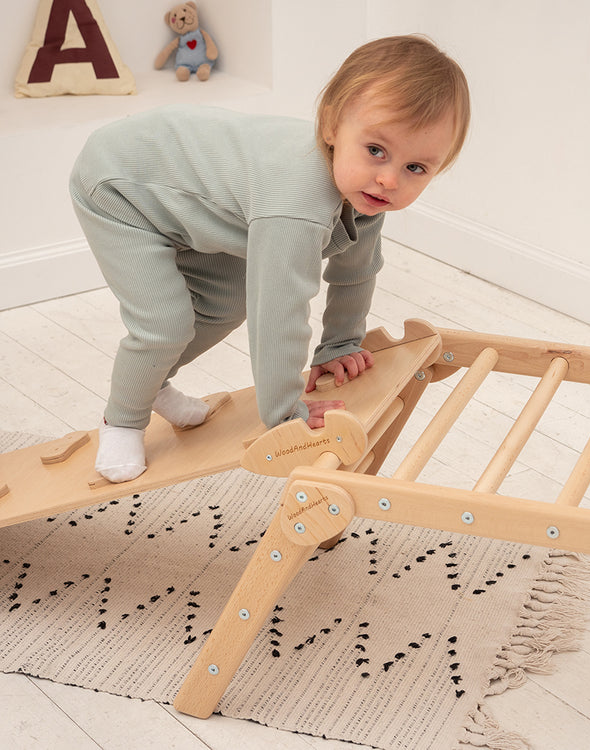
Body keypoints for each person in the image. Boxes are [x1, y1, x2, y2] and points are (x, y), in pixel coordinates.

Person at [69, 34, 470, 483]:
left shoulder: (366, 192)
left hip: (195, 204)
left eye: (416, 168)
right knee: (164, 323)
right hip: (122, 185)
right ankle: (123, 418)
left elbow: (355, 273)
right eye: (375, 150)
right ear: (332, 128)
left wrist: (339, 344)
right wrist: (284, 414)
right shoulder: (297, 203)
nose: (389, 179)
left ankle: (150, 384)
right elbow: (279, 311)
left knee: (224, 304)